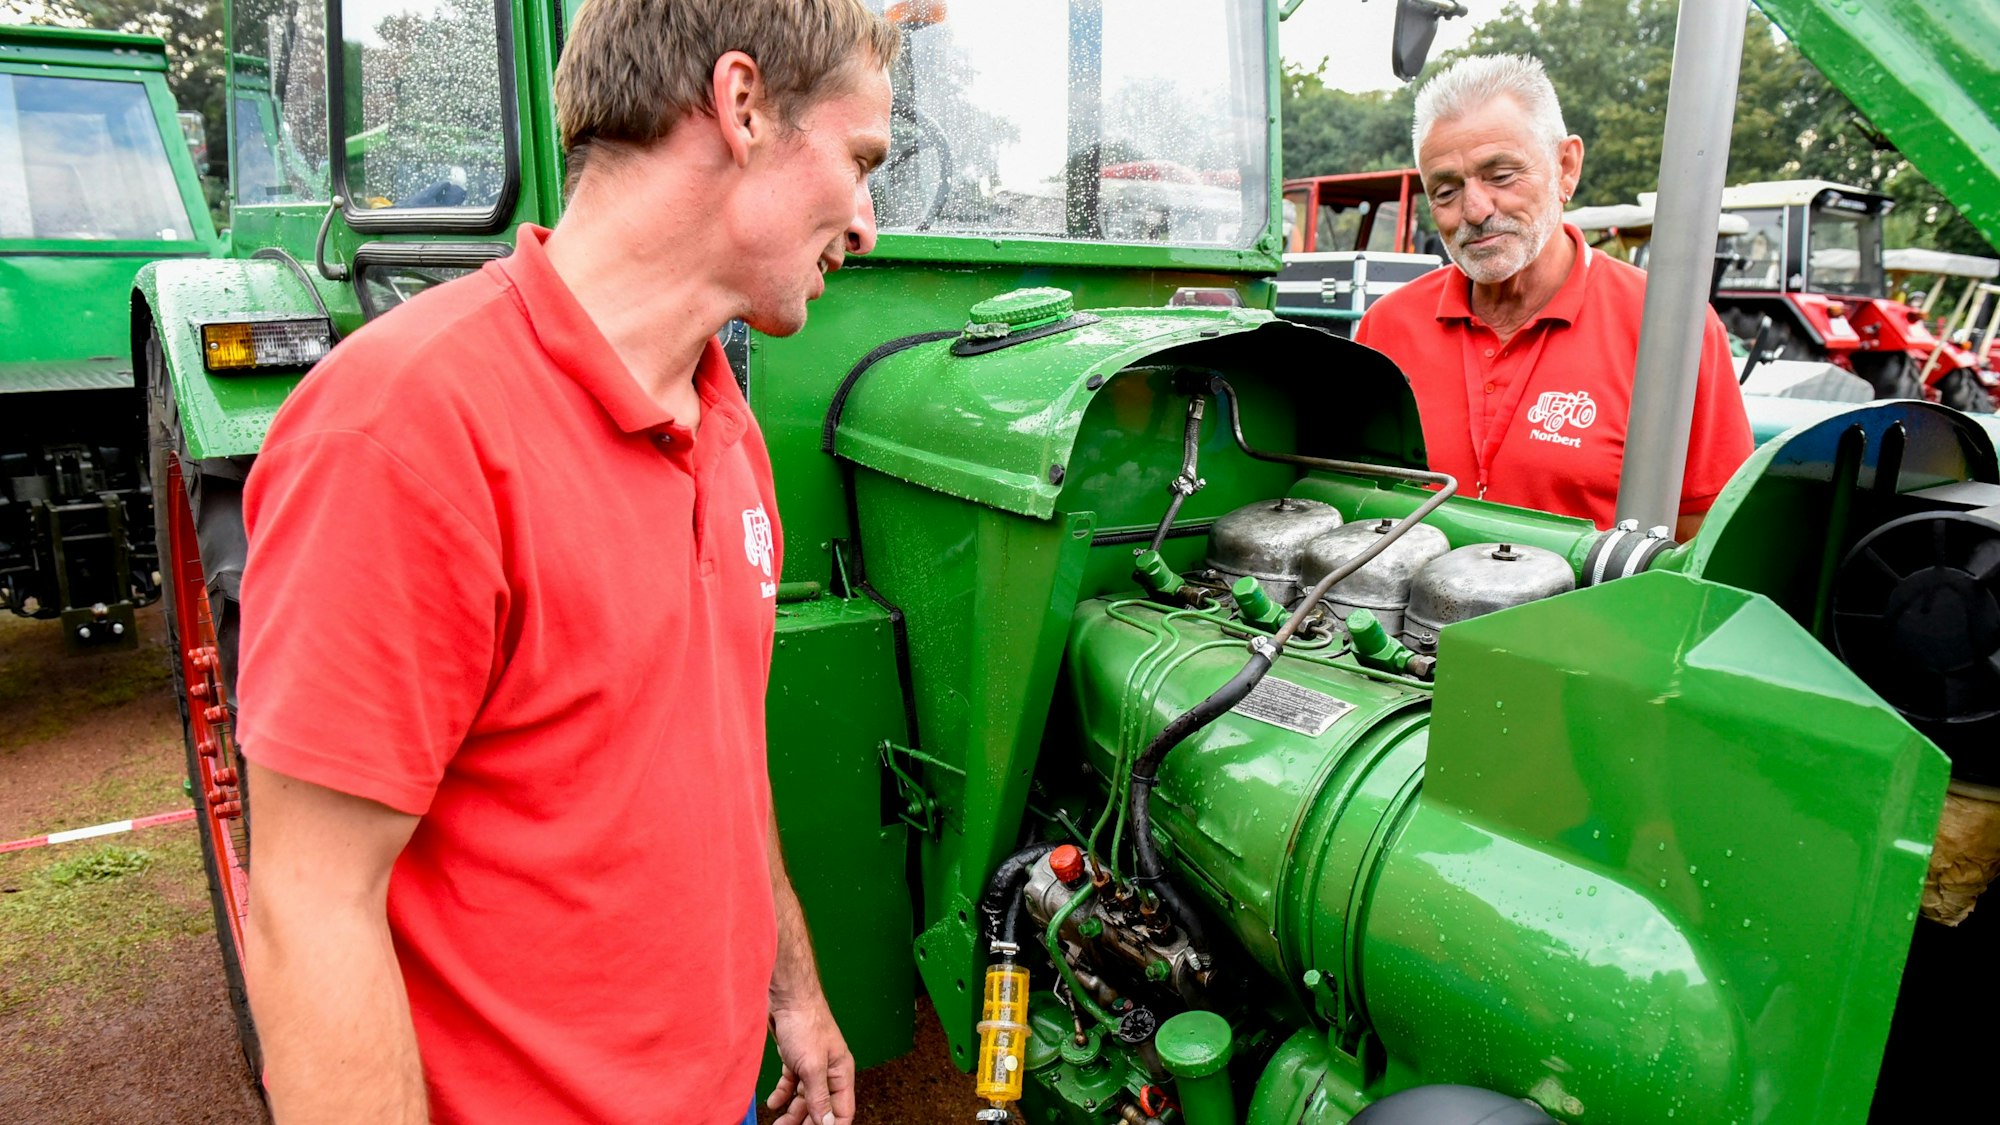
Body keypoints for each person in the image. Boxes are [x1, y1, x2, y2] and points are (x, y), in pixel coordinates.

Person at [231, 3, 897, 1124]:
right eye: (859, 159)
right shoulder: (405, 432)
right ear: (741, 107)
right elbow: (311, 907)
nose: (868, 223)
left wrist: (790, 988)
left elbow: (717, 759)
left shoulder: (725, 431)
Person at [1355, 54, 1751, 538]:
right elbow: (1353, 498)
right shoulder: (1388, 327)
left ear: (1566, 167)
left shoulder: (1668, 328)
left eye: (1501, 176)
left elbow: (1707, 531)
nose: (1475, 210)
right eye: (1445, 191)